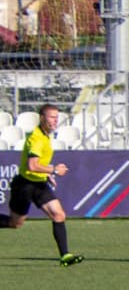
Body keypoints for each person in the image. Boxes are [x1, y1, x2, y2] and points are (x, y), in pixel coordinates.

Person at [4, 103, 82, 266]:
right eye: (51, 117)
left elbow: (37, 166)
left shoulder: (46, 135)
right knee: (15, 223)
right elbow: (32, 165)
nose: (55, 121)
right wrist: (53, 170)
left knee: (59, 214)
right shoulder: (37, 138)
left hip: (38, 184)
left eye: (56, 117)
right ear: (41, 118)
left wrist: (46, 174)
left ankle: (65, 256)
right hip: (24, 186)